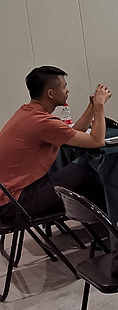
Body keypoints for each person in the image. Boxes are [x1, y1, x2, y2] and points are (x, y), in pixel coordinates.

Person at [0, 66, 111, 220]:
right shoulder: (42, 122)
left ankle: (107, 219)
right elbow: (97, 141)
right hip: (17, 203)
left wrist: (91, 106)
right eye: (64, 87)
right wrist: (99, 106)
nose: (67, 91)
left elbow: (72, 134)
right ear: (50, 93)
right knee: (87, 165)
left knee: (83, 178)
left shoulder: (28, 113)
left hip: (9, 199)